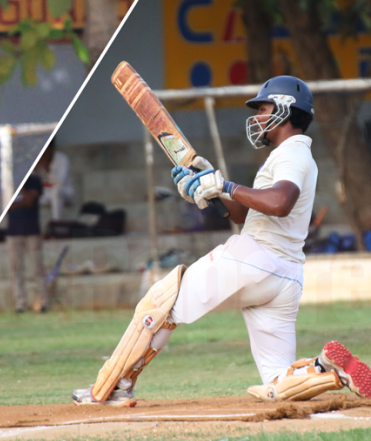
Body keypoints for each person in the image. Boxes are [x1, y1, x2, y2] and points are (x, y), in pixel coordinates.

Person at [72, 76, 371, 407]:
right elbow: (245, 213)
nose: (258, 116)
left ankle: (112, 387)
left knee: (160, 301)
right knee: (277, 382)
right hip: (285, 276)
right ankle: (325, 368)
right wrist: (209, 189)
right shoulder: (293, 155)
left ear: (285, 110)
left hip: (256, 258)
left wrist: (225, 186)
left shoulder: (291, 153)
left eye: (264, 108)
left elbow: (280, 202)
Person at [6, 173, 48, 313]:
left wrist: (21, 186)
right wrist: (21, 201)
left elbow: (30, 201)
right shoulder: (7, 183)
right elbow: (7, 207)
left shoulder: (34, 180)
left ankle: (42, 302)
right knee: (15, 269)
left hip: (32, 231)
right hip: (13, 232)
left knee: (38, 268)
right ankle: (20, 303)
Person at [38, 139, 74, 220]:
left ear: (51, 148)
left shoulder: (62, 159)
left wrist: (47, 169)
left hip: (65, 192)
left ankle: (56, 222)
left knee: (56, 192)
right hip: (45, 194)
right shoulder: (38, 159)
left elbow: (60, 182)